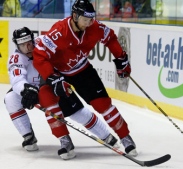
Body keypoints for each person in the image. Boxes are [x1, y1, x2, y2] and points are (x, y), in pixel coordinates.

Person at [33, 0, 138, 157]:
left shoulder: (94, 27)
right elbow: (39, 56)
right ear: (75, 16)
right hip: (58, 73)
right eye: (85, 20)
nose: (89, 23)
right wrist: (51, 77)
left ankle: (126, 137)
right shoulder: (59, 31)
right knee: (47, 98)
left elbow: (110, 38)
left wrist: (121, 58)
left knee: (102, 104)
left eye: (91, 19)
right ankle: (65, 141)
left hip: (82, 70)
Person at [4, 26, 119, 159]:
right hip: (34, 91)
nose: (28, 48)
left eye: (29, 43)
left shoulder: (44, 43)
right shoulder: (16, 58)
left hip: (53, 87)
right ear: (17, 45)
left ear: (33, 39)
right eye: (23, 45)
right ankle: (28, 136)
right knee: (11, 98)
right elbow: (16, 79)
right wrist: (25, 90)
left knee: (78, 114)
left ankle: (106, 135)